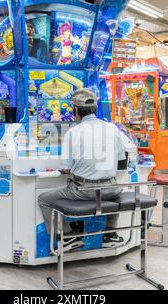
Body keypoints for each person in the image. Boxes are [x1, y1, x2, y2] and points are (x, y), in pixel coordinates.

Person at [38, 88, 126, 250]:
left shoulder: (73, 132)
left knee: (44, 198)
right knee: (116, 192)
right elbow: (121, 160)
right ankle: (110, 233)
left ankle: (66, 238)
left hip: (84, 191)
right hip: (111, 189)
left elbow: (66, 168)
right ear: (95, 109)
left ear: (76, 110)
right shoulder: (112, 128)